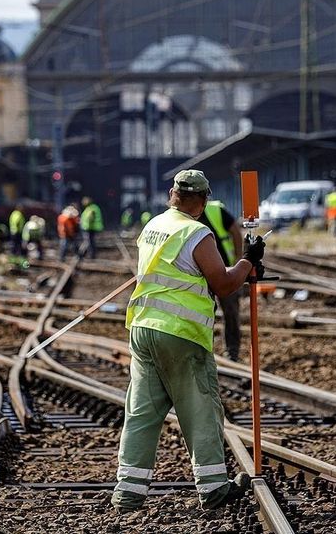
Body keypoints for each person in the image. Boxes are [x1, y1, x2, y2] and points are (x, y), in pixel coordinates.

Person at [112, 169, 256, 513]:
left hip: (143, 329)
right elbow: (223, 284)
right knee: (201, 407)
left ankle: (127, 494)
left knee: (142, 413)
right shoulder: (196, 233)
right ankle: (214, 488)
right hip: (180, 333)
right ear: (203, 200)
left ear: (171, 195)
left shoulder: (154, 226)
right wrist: (248, 262)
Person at [202, 198, 244, 361]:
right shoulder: (183, 216)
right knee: (202, 313)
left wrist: (238, 260)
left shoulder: (215, 211)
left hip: (225, 270)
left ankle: (232, 352)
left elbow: (235, 231)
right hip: (201, 274)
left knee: (231, 311)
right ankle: (205, 352)